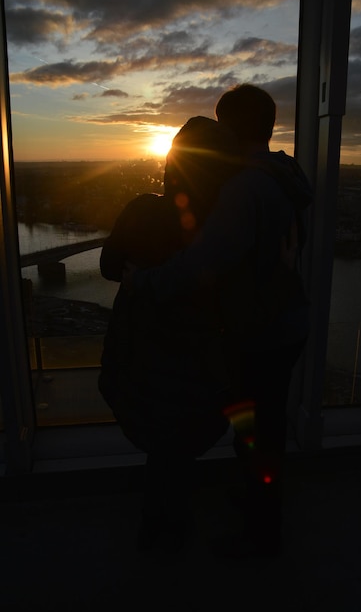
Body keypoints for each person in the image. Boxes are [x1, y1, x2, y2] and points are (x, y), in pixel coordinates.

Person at [123, 84, 314, 558]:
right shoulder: (285, 174)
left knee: (256, 437)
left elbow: (203, 263)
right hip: (287, 321)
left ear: (229, 128)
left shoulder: (244, 187)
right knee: (264, 429)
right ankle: (257, 503)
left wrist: (141, 282)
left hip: (259, 334)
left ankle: (261, 530)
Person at [98, 116, 242, 554]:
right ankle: (171, 523)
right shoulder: (222, 229)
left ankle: (155, 523)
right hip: (197, 356)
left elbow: (107, 267)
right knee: (179, 437)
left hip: (140, 350)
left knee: (159, 435)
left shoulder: (143, 209)